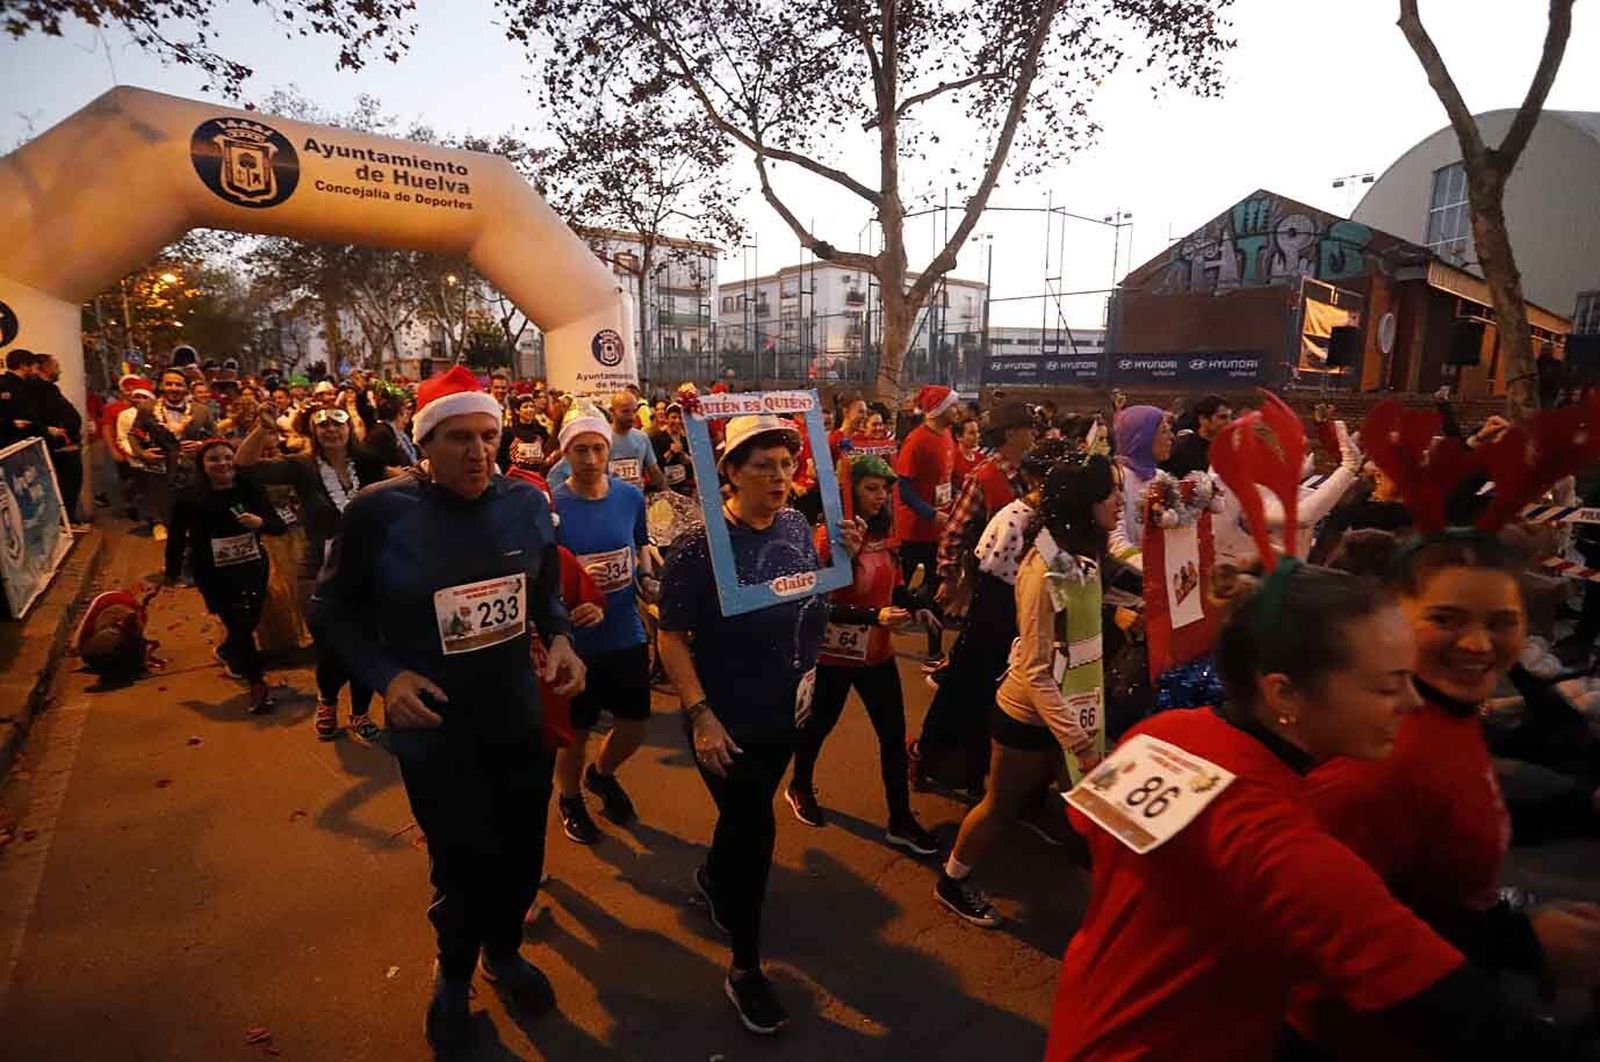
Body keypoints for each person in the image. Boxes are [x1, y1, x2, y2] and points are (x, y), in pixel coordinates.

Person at [1044, 559, 1594, 1062]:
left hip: (1086, 1021)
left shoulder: (1161, 732)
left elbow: (1082, 838)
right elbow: (1452, 1010)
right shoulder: (1278, 844)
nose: (1411, 702)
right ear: (1284, 696)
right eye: (1387, 686)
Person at [313, 365, 586, 1053]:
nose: (478, 452)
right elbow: (331, 607)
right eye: (459, 437)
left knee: (522, 857)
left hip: (517, 716)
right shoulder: (379, 511)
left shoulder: (524, 503)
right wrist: (385, 675)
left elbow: (546, 590)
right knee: (461, 864)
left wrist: (560, 638)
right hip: (435, 730)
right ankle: (455, 973)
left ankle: (504, 953)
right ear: (425, 445)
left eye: (488, 436)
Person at [657, 413, 835, 1035]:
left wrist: (845, 564)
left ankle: (712, 878)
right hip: (725, 721)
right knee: (756, 831)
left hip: (786, 709)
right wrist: (700, 713)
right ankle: (745, 971)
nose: (780, 477)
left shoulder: (793, 524)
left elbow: (809, 595)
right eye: (763, 466)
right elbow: (672, 640)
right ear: (729, 473)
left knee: (745, 816)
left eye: (786, 464)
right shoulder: (698, 548)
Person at [936, 455, 1115, 926]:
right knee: (999, 806)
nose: (1120, 503)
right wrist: (1079, 741)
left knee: (1087, 807)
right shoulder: (1043, 569)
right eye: (1109, 494)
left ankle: (1110, 902)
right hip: (1031, 714)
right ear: (1083, 503)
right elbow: (1036, 671)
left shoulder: (1080, 550)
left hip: (1072, 710)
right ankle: (952, 880)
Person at [785, 454, 938, 855]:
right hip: (833, 656)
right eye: (871, 488)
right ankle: (799, 785)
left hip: (878, 655)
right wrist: (874, 615)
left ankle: (900, 820)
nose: (880, 496)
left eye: (885, 489)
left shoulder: (886, 534)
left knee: (892, 736)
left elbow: (897, 583)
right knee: (817, 728)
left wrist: (915, 604)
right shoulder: (827, 537)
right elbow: (814, 602)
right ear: (849, 491)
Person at [234, 404, 391, 741]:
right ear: (314, 432)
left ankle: (360, 713)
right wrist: (261, 431)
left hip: (369, 567)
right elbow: (245, 467)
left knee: (367, 642)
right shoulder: (301, 466)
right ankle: (328, 700)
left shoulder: (367, 462)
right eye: (324, 426)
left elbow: (402, 478)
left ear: (350, 429)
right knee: (331, 646)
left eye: (338, 424)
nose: (331, 431)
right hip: (318, 569)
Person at [549, 407, 656, 844]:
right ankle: (570, 797)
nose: (591, 459)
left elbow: (641, 543)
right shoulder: (552, 506)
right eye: (581, 450)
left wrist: (646, 577)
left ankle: (602, 773)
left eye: (597, 448)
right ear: (565, 453)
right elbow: (543, 574)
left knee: (634, 724)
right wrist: (565, 608)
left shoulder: (629, 497)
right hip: (575, 644)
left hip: (625, 631)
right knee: (574, 732)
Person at [164, 439, 285, 711]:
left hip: (252, 566)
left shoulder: (249, 489)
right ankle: (258, 686)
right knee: (240, 623)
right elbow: (175, 537)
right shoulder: (189, 497)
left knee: (248, 621)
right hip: (212, 572)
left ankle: (229, 650)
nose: (223, 464)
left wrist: (261, 523)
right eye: (214, 459)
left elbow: (278, 525)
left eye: (228, 457)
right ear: (202, 465)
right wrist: (171, 572)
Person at [934, 400, 1036, 622]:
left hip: (1025, 579)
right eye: (1028, 428)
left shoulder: (1029, 474)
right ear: (1010, 434)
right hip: (990, 583)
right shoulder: (983, 478)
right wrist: (949, 577)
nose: (1034, 433)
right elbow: (954, 531)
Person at [894, 384, 961, 667]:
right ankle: (873, 636)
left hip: (938, 530)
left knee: (937, 589)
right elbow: (903, 487)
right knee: (896, 588)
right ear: (939, 409)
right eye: (953, 406)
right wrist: (930, 513)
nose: (958, 411)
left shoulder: (947, 434)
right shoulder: (916, 441)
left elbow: (947, 478)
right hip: (912, 532)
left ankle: (933, 653)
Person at [546, 391, 663, 492]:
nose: (632, 416)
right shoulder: (598, 438)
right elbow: (558, 479)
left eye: (634, 411)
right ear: (612, 411)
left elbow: (654, 471)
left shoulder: (642, 438)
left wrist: (668, 494)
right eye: (626, 411)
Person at [1111, 404, 1172, 549]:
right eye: (1164, 432)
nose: (1171, 438)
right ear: (1144, 437)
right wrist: (1148, 565)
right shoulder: (1117, 479)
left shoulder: (1162, 478)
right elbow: (1115, 542)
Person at [1163, 393, 1230, 477]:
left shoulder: (1231, 448)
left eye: (1229, 417)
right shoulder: (1182, 450)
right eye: (1222, 417)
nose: (1229, 422)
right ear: (1202, 419)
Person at [498, 391, 550, 475]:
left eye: (532, 407)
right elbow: (501, 458)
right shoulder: (509, 432)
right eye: (525, 407)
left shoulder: (541, 431)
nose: (529, 410)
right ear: (517, 411)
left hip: (538, 476)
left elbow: (548, 450)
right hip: (516, 477)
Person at [650, 402, 695, 497]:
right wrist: (671, 451)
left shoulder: (686, 439)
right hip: (664, 488)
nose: (677, 421)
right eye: (674, 417)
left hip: (684, 488)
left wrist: (682, 454)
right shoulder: (656, 438)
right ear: (667, 419)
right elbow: (654, 464)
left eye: (680, 418)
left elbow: (692, 463)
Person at [952, 415, 982, 488]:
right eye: (971, 433)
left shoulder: (982, 458)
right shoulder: (952, 460)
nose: (977, 436)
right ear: (958, 437)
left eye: (977, 432)